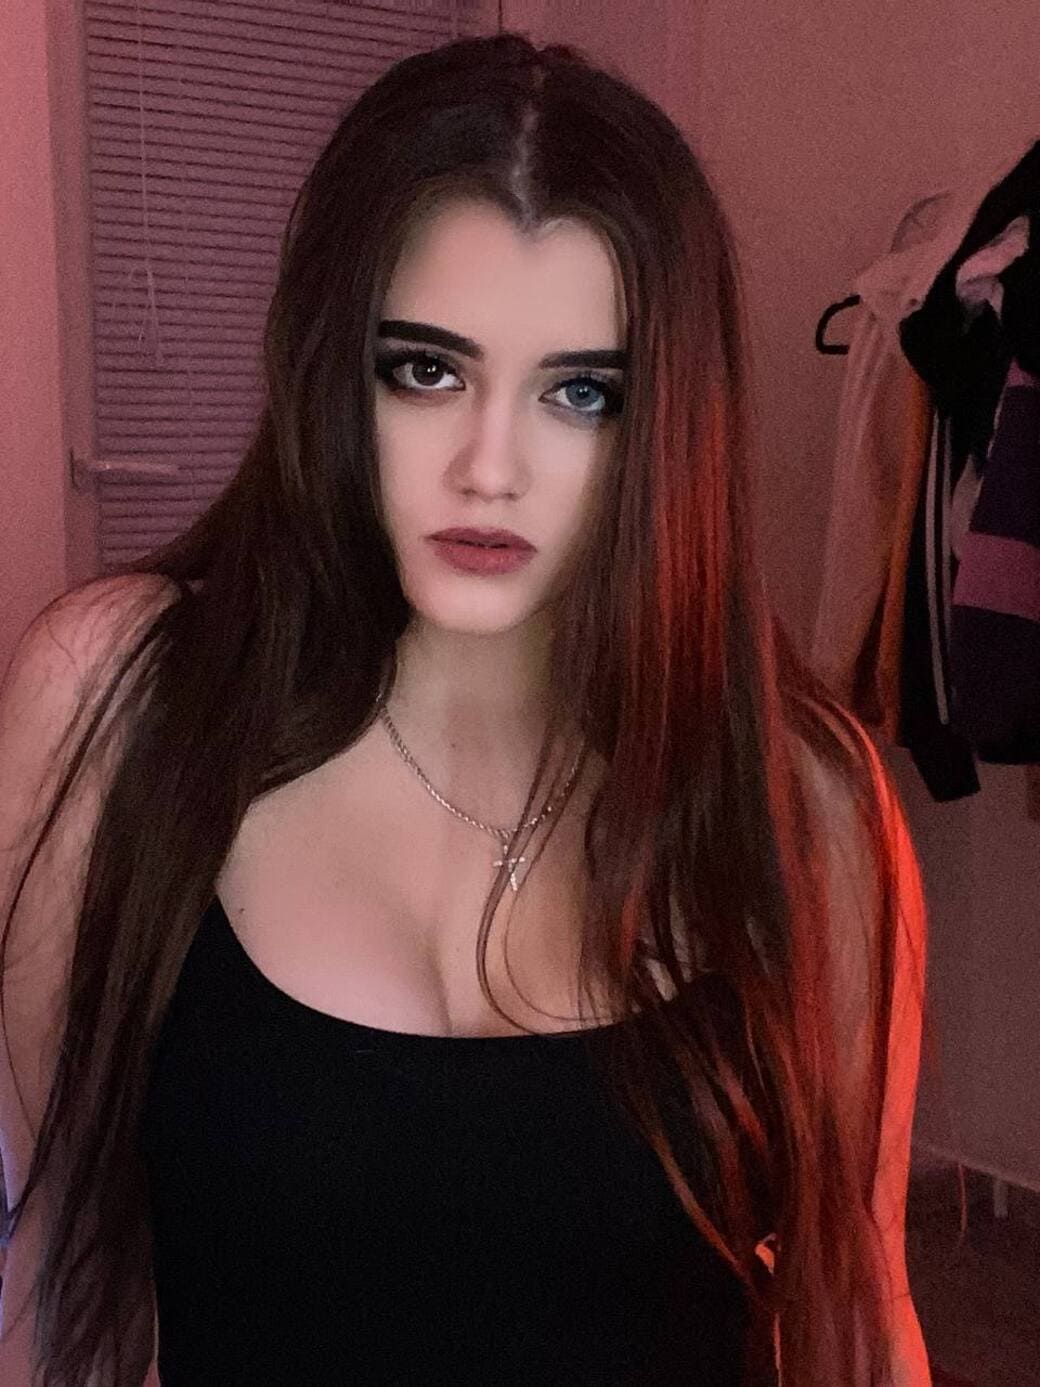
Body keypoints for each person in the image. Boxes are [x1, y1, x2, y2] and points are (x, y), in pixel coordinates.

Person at [0, 30, 930, 1387]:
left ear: (666, 423)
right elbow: (60, 1269)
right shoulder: (120, 709)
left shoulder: (801, 799)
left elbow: (860, 1311)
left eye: (581, 392)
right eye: (426, 370)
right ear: (335, 369)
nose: (490, 467)